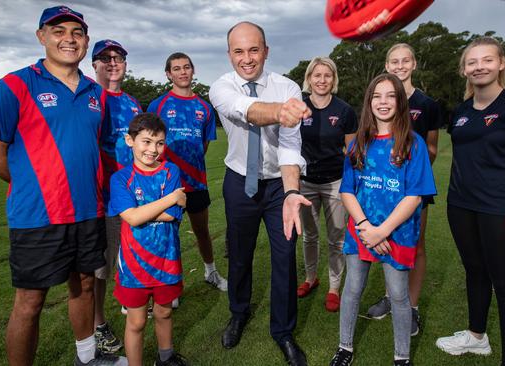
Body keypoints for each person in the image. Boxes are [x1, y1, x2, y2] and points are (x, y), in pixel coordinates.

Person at [0, 5, 126, 366]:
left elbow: (96, 149)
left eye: (76, 32)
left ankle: (87, 358)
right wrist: (35, 184)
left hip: (89, 210)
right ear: (42, 37)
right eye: (58, 31)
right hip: (37, 215)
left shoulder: (95, 93)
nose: (68, 39)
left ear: (86, 41)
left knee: (86, 285)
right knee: (30, 302)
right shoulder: (14, 85)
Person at [435, 37, 505, 366]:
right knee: (475, 272)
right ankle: (476, 338)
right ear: (464, 70)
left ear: (501, 64)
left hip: (500, 211)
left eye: (487, 60)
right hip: (460, 206)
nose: (479, 67)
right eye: (472, 62)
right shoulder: (461, 112)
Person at [209, 21, 312, 366]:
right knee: (239, 255)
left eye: (254, 50)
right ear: (229, 54)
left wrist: (292, 193)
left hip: (279, 186)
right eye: (239, 51)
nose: (247, 59)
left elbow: (289, 145)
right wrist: (280, 112)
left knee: (284, 258)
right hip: (239, 183)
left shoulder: (287, 87)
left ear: (266, 51)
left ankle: (283, 332)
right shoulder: (221, 88)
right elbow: (246, 110)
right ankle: (238, 313)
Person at [329, 73, 436, 366]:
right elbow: (348, 191)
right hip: (361, 231)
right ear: (369, 102)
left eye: (390, 95)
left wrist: (382, 232)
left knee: (399, 295)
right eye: (377, 96)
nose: (383, 102)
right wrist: (366, 228)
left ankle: (401, 357)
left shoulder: (413, 144)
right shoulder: (357, 144)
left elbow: (414, 196)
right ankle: (345, 347)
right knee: (352, 290)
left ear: (400, 101)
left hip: (396, 234)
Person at [364, 43, 444, 336]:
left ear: (414, 64)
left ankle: (411, 306)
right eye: (394, 61)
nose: (399, 66)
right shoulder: (381, 100)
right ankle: (390, 297)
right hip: (383, 189)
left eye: (405, 61)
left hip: (412, 188)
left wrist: (409, 169)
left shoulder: (427, 103)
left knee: (416, 245)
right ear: (387, 65)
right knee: (387, 241)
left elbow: (432, 147)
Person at [109, 113, 189, 366]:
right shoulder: (121, 178)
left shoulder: (171, 171)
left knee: (165, 312)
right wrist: (172, 198)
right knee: (137, 321)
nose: (153, 150)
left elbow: (172, 215)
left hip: (167, 260)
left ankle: (166, 358)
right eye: (146, 142)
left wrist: (145, 211)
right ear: (129, 140)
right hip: (134, 266)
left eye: (160, 143)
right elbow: (132, 218)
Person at [148, 52, 227, 293]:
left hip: (196, 183)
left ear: (193, 71)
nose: (182, 72)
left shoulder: (204, 107)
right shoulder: (158, 105)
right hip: (166, 184)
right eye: (177, 68)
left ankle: (210, 272)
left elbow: (203, 145)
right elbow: (149, 143)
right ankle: (169, 284)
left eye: (186, 67)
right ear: (168, 74)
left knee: (202, 231)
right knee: (167, 236)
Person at [92, 38, 142, 354]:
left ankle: (132, 303)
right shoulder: (88, 98)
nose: (113, 63)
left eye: (119, 57)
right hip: (101, 196)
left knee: (132, 257)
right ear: (94, 64)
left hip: (133, 195)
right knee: (100, 267)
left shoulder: (133, 103)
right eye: (105, 58)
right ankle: (97, 325)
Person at [297, 57, 357, 313]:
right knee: (309, 236)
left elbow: (352, 151)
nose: (322, 80)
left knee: (336, 238)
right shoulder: (299, 107)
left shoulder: (344, 110)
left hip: (335, 183)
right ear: (309, 78)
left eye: (327, 76)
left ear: (334, 79)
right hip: (305, 183)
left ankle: (334, 287)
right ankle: (311, 278)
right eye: (317, 75)